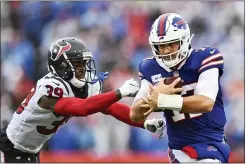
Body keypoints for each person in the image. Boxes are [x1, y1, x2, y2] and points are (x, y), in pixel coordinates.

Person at [0, 37, 165, 163]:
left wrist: (142, 122)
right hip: (9, 148)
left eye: (84, 63)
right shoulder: (49, 88)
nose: (83, 69)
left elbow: (111, 108)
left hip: (30, 150)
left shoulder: (83, 84)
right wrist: (119, 92)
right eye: (77, 64)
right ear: (61, 66)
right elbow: (81, 108)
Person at [130, 13, 230, 163]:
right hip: (179, 150)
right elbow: (135, 115)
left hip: (211, 143)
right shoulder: (150, 68)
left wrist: (162, 100)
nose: (165, 50)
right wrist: (155, 95)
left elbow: (206, 102)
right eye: (161, 46)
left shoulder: (205, 57)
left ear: (184, 40)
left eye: (171, 44)